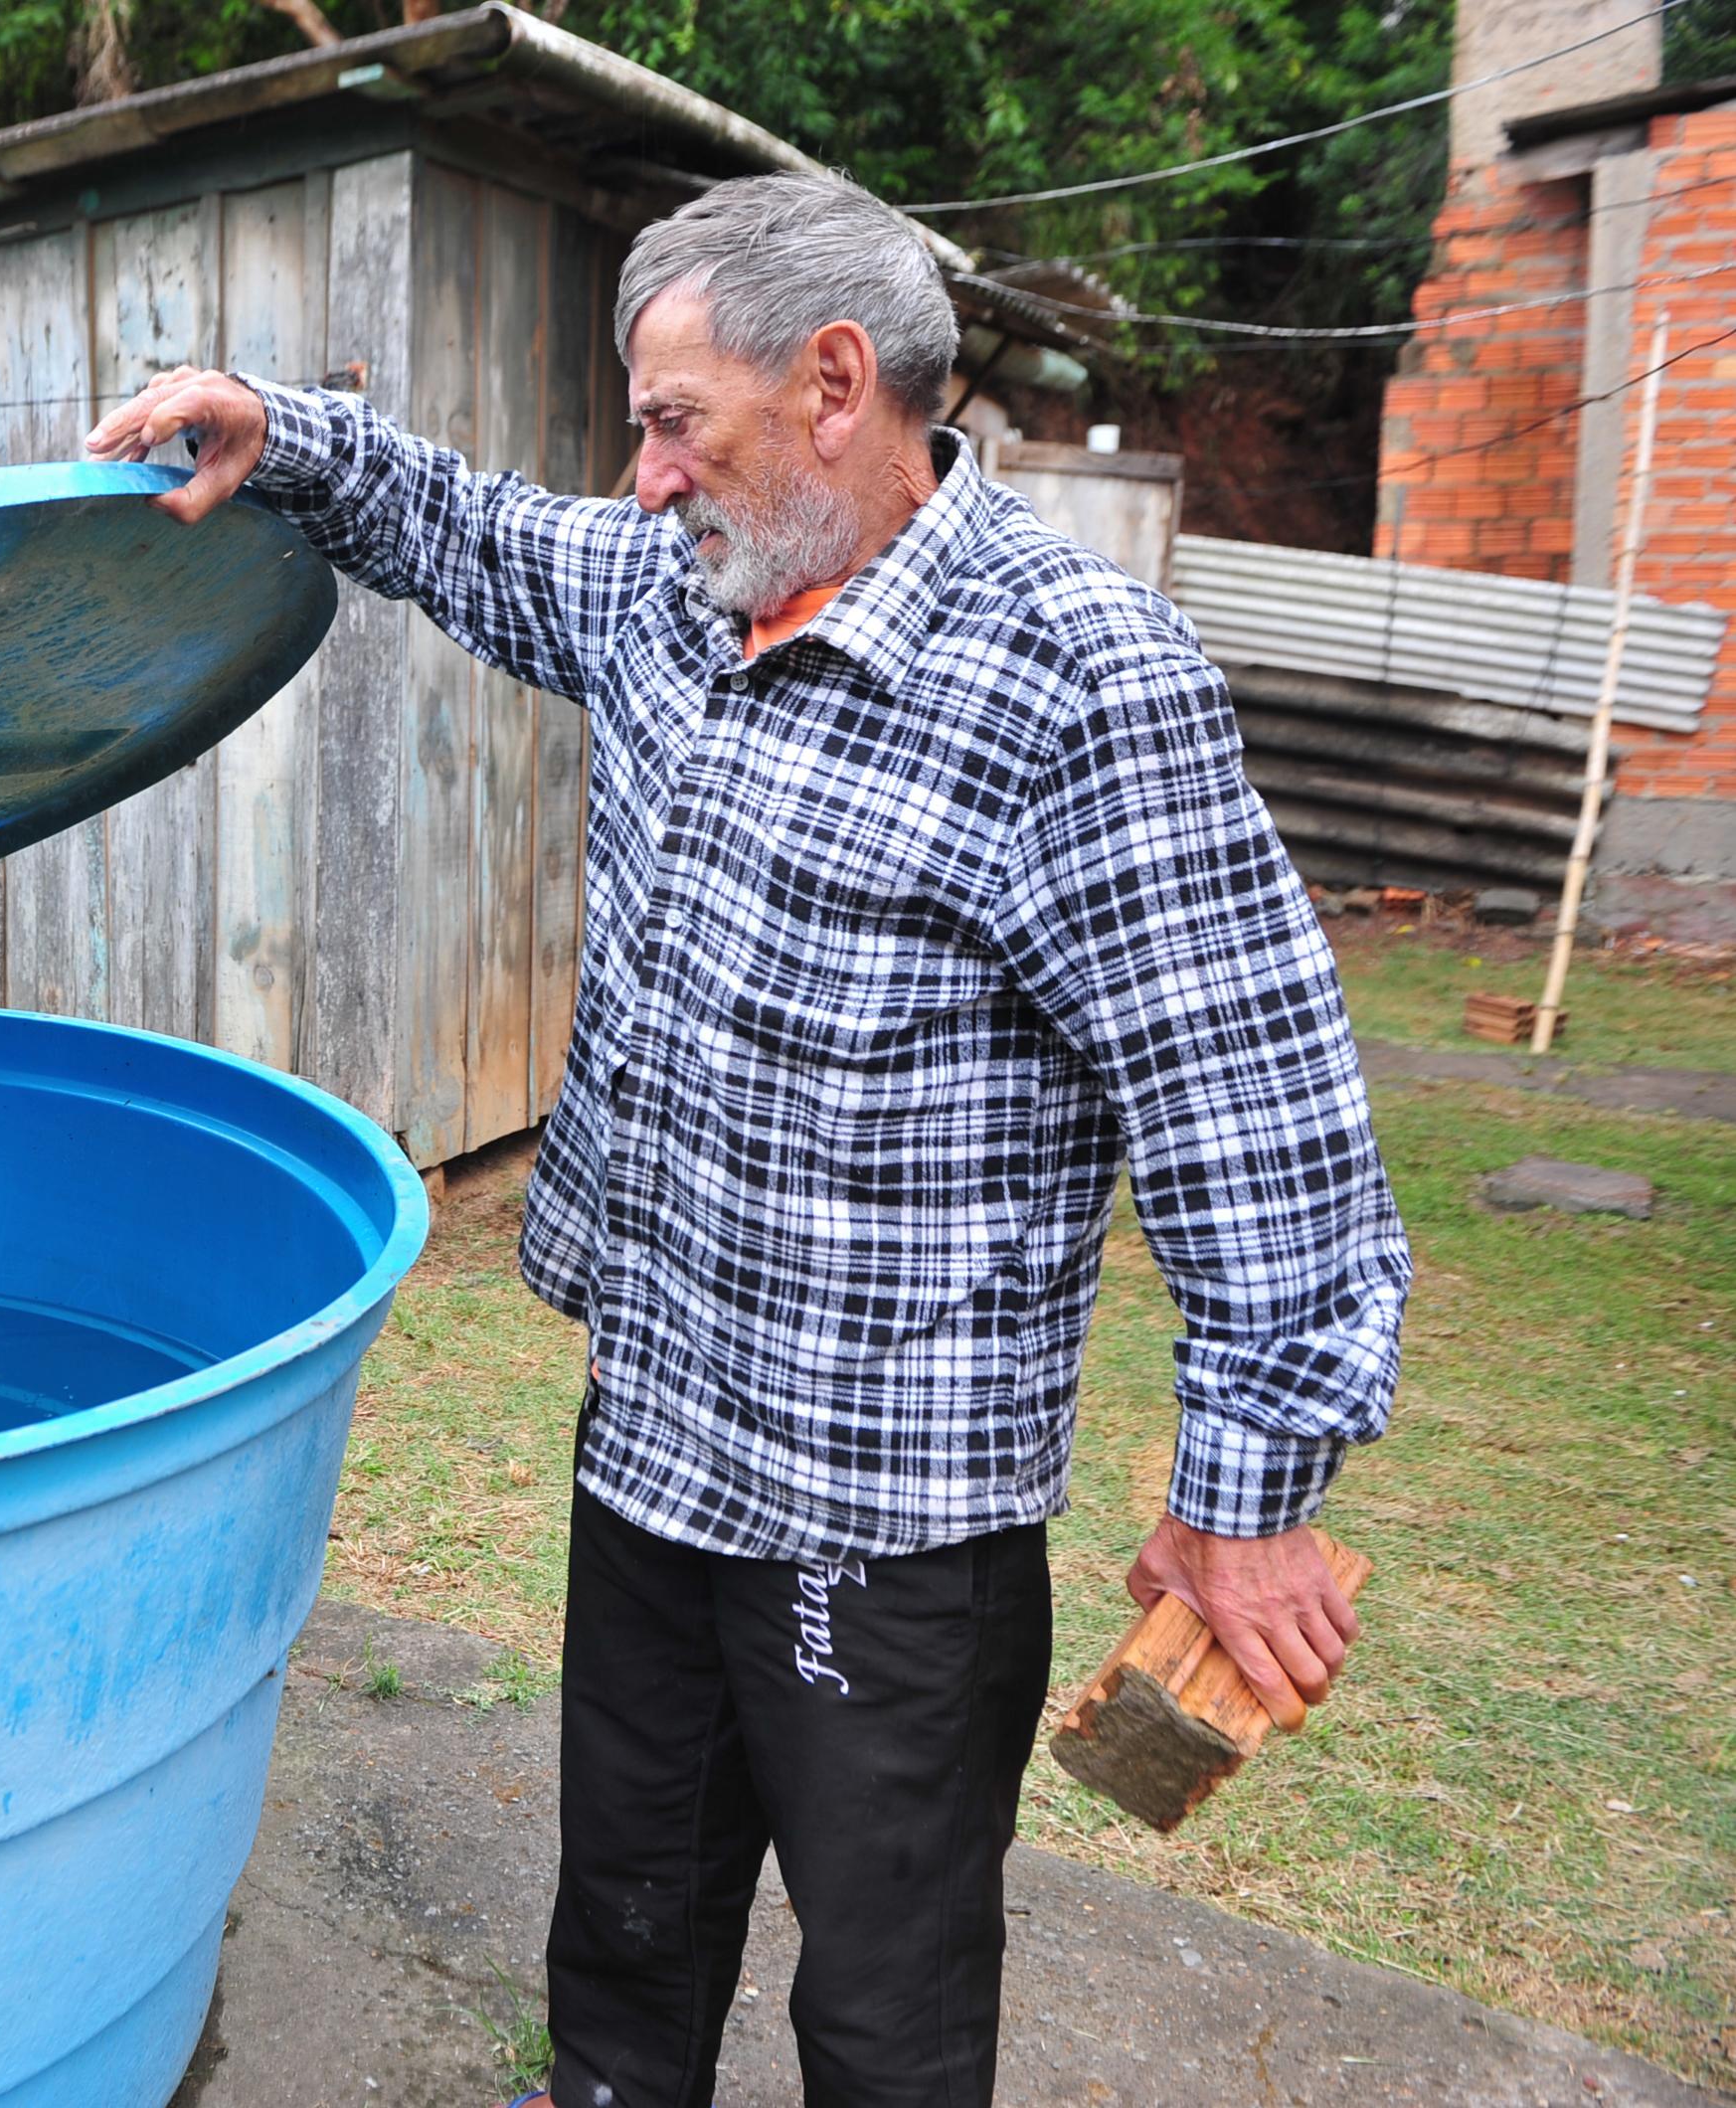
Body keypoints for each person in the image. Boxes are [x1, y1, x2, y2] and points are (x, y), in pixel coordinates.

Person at [85, 169, 1410, 2108]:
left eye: (673, 419)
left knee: (882, 2007)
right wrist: (290, 436)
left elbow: (1261, 1116)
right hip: (659, 1435)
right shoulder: (671, 593)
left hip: (889, 1514)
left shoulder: (1078, 684)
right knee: (623, 1927)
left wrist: (1252, 1491)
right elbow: (471, 532)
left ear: (838, 384)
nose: (641, 474)